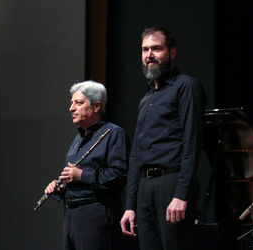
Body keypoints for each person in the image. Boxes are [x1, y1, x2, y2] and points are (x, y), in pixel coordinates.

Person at [120, 26, 207, 250]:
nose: (149, 55)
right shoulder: (146, 98)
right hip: (145, 187)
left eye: (156, 49)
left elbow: (191, 143)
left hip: (171, 183)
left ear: (172, 52)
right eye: (145, 49)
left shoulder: (186, 86)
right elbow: (136, 155)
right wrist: (130, 204)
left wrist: (181, 193)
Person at [44, 80, 129, 250]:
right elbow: (74, 178)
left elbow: (118, 176)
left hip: (95, 215)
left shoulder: (113, 133)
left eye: (78, 103)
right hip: (71, 216)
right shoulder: (78, 139)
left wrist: (81, 175)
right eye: (71, 103)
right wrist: (60, 187)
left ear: (96, 106)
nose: (71, 108)